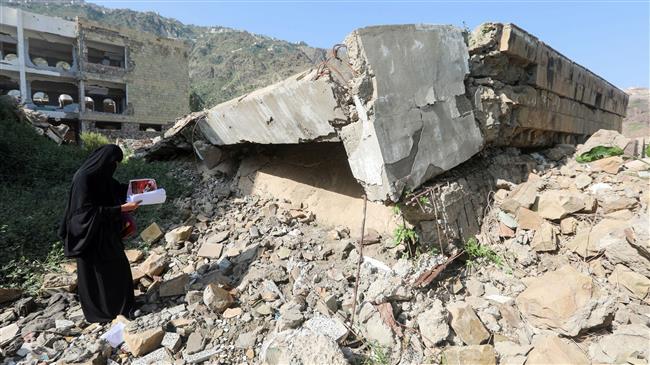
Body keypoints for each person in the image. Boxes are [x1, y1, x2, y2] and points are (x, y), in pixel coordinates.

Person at [58, 144, 141, 323]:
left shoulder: (101, 176)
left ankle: (123, 308)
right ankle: (101, 314)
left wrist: (142, 189)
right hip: (90, 237)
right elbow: (83, 214)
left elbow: (117, 189)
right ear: (104, 161)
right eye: (114, 162)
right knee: (97, 275)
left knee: (118, 268)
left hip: (106, 234)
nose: (115, 167)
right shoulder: (83, 178)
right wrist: (120, 209)